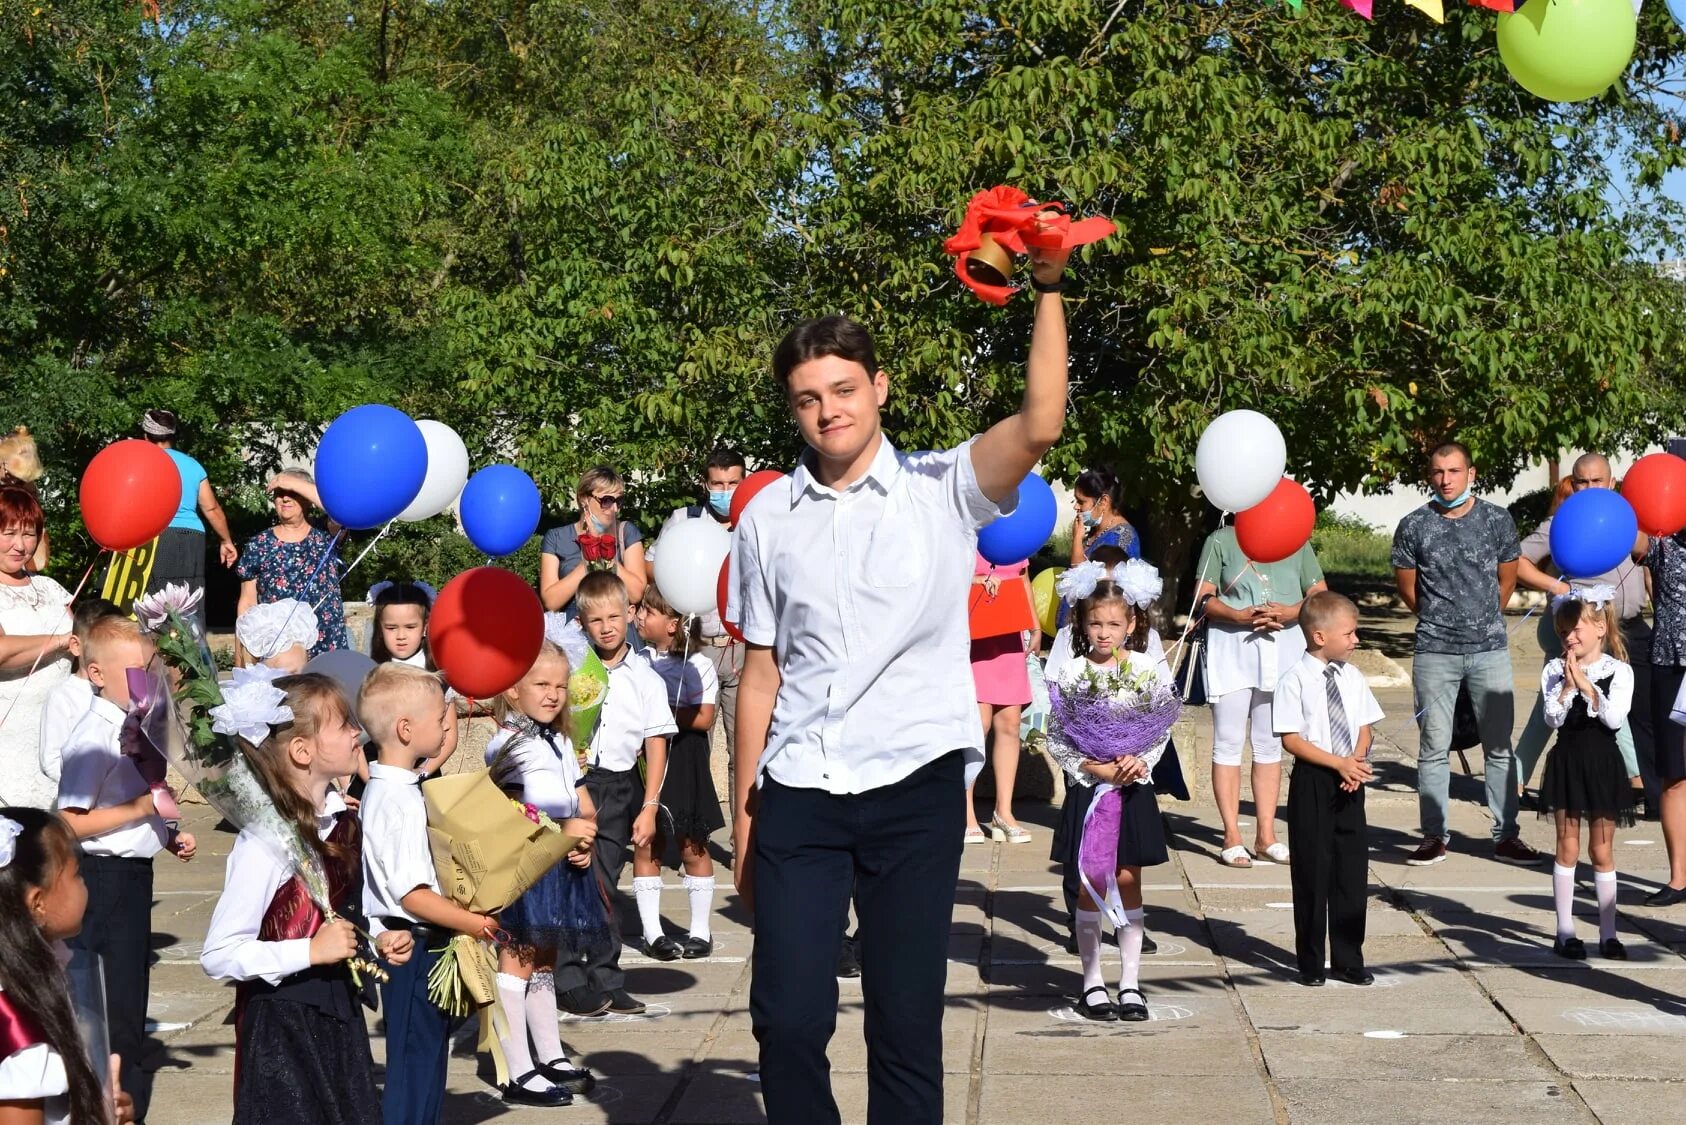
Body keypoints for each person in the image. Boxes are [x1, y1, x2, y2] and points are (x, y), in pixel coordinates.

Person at [730, 229, 1068, 1124]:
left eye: (843, 389)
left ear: (877, 388)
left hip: (914, 786)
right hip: (800, 788)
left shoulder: (941, 486)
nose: (828, 410)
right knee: (788, 1020)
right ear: (792, 410)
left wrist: (1045, 284)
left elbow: (1041, 422)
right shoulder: (766, 518)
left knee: (905, 1024)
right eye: (807, 399)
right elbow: (758, 673)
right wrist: (743, 814)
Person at [201, 673, 413, 1123]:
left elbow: (341, 912)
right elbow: (220, 954)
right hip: (284, 1028)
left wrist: (376, 938)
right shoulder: (264, 842)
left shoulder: (341, 823)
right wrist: (310, 951)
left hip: (338, 1019)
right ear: (303, 751)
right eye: (343, 725)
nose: (357, 732)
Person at [55, 615, 196, 1121]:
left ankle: (125, 1103)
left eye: (149, 670)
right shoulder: (93, 737)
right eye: (135, 672)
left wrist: (168, 832)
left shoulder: (130, 724)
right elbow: (69, 822)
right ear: (96, 673)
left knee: (130, 1004)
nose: (146, 682)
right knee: (111, 1013)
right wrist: (141, 813)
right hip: (101, 880)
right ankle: (108, 1107)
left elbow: (139, 796)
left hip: (132, 878)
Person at [358, 663, 500, 1122]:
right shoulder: (393, 800)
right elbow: (412, 895)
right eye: (440, 717)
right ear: (405, 728)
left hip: (426, 941)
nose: (447, 724)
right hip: (410, 946)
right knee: (412, 1066)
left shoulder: (404, 786)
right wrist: (477, 924)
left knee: (427, 1058)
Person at [1392, 442, 1542, 867]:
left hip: (1489, 650)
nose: (1446, 479)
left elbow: (1507, 579)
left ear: (1470, 473)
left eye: (1454, 471)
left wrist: (1480, 621)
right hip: (1435, 651)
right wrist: (1442, 619)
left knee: (1498, 746)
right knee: (1433, 746)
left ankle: (1505, 834)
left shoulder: (1496, 519)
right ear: (1430, 476)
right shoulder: (1413, 525)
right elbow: (1408, 588)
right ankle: (1434, 836)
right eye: (1438, 472)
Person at [483, 644, 606, 1106]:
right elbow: (500, 809)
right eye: (542, 685)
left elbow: (581, 800)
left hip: (560, 865)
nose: (554, 695)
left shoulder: (558, 741)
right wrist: (559, 830)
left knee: (546, 959)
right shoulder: (507, 744)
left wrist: (585, 836)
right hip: (525, 865)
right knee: (518, 957)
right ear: (513, 691)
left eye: (560, 685)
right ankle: (518, 1069)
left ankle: (550, 1054)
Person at [1045, 574, 1171, 1023]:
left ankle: (1131, 982)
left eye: (1114, 625)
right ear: (1082, 623)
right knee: (1092, 880)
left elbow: (1161, 726)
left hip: (1132, 790)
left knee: (1128, 878)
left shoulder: (1145, 670)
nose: (1104, 632)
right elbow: (1058, 735)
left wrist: (1141, 760)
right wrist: (1090, 767)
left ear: (1131, 624)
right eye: (1096, 623)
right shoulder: (1074, 673)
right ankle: (1092, 981)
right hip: (1090, 790)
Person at [1514, 454, 1651, 815]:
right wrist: (1554, 588)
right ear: (1571, 484)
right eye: (1581, 481)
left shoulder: (1626, 518)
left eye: (1596, 481)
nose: (1588, 488)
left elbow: (1650, 557)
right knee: (1562, 700)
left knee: (1627, 701)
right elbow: (1516, 559)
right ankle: (1638, 781)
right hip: (1580, 628)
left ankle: (1641, 779)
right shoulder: (1562, 522)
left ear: (1612, 482)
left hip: (1628, 626)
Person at [568, 571, 674, 1015]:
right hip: (574, 783)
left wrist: (649, 807)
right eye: (596, 620)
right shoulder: (574, 668)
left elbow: (656, 742)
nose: (607, 626)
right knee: (572, 878)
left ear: (631, 614)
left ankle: (608, 975)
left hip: (616, 786)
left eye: (615, 616)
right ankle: (569, 977)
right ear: (582, 622)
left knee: (605, 883)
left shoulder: (645, 678)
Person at [1195, 523, 1327, 868]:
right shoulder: (1221, 538)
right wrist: (1237, 615)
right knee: (1228, 741)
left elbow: (1319, 594)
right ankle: (1231, 835)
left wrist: (1289, 611)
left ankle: (1266, 836)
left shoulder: (1294, 538)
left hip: (1283, 648)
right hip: (1232, 648)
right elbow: (1203, 596)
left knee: (1270, 742)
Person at [0, 807, 137, 1125]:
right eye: (77, 874)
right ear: (38, 903)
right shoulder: (18, 1028)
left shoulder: (28, 983)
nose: (83, 885)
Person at [1275, 591, 1384, 988]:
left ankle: (1348, 957)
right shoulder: (1295, 680)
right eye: (1350, 633)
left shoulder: (1352, 677)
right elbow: (1291, 739)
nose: (1356, 640)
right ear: (1320, 636)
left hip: (1349, 777)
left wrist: (1354, 760)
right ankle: (1310, 960)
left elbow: (1365, 724)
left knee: (1350, 871)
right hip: (1315, 778)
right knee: (1312, 871)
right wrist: (1337, 762)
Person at [1538, 589, 1635, 958]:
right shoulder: (1553, 669)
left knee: (1602, 850)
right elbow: (1551, 718)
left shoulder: (1619, 671)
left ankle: (1608, 933)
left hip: (1603, 764)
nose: (1569, 638)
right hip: (1568, 762)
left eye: (1575, 629)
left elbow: (1614, 719)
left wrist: (1587, 687)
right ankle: (1565, 931)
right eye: (1563, 632)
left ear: (1600, 627)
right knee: (1567, 846)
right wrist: (1565, 686)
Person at [649, 448, 747, 805]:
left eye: (733, 483)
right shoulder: (684, 520)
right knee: (692, 752)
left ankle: (743, 844)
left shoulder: (756, 520)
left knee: (745, 753)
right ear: (706, 484)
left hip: (742, 652)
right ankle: (693, 838)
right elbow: (652, 567)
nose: (725, 490)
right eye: (718, 483)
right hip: (696, 650)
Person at [633, 584, 724, 959]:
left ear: (673, 624)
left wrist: (663, 713)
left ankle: (700, 931)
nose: (639, 617)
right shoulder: (638, 662)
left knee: (692, 843)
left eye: (648, 612)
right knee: (647, 843)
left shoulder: (698, 664)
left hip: (685, 757)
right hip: (647, 758)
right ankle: (653, 932)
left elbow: (704, 716)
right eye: (638, 610)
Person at [104, 409, 238, 630]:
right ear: (173, 436)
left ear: (146, 435)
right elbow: (211, 507)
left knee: (152, 602)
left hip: (155, 535)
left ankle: (152, 658)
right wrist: (226, 541)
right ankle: (189, 658)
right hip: (191, 538)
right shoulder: (193, 465)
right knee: (188, 604)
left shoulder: (140, 462)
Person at [0, 485, 74, 810]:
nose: (20, 545)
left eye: (29, 534)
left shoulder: (51, 587)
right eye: (9, 533)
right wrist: (60, 642)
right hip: (10, 740)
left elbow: (87, 640)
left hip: (59, 735)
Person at [236, 470, 349, 656]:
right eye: (279, 494)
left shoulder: (325, 532)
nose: (285, 499)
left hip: (327, 641)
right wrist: (244, 653)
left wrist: (291, 481)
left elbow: (341, 510)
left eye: (293, 493)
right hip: (279, 647)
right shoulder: (260, 543)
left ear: (307, 497)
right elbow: (247, 603)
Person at [966, 552, 1036, 844]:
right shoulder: (964, 523)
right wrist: (975, 581)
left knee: (1010, 722)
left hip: (1007, 632)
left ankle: (1003, 813)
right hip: (973, 632)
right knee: (976, 725)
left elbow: (1022, 578)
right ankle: (965, 813)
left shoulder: (1014, 531)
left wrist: (1034, 624)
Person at [37, 599, 125, 787]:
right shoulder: (62, 696)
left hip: (124, 791)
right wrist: (89, 781)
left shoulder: (123, 691)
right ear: (76, 646)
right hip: (84, 798)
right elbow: (50, 760)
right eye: (101, 646)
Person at [539, 466, 648, 617]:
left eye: (619, 500)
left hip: (616, 631)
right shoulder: (556, 537)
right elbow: (551, 602)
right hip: (573, 634)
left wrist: (605, 552)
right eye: (607, 500)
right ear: (584, 499)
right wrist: (588, 559)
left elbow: (636, 594)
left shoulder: (627, 532)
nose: (615, 508)